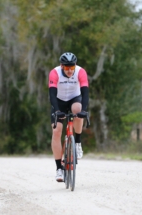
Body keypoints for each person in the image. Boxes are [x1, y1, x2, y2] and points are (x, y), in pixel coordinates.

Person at [48, 52, 89, 182]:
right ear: (61, 66)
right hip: (59, 102)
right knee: (56, 132)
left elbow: (85, 93)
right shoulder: (54, 73)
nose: (70, 70)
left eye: (72, 67)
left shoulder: (80, 72)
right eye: (67, 68)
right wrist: (57, 110)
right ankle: (59, 168)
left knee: (78, 109)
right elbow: (52, 95)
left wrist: (83, 110)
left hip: (74, 99)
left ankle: (77, 142)